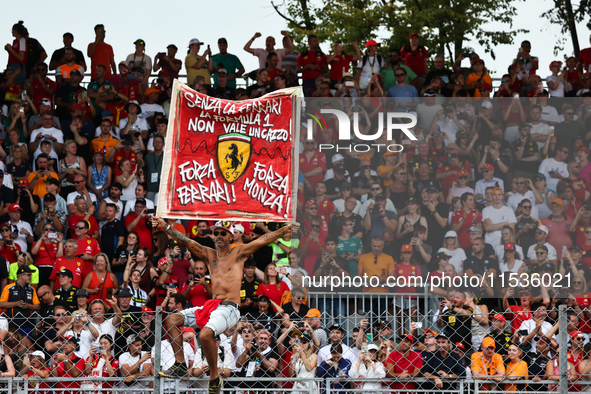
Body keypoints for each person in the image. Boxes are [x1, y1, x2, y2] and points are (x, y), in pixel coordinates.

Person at [150, 216, 296, 390]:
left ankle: (214, 378)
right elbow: (185, 240)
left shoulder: (238, 252)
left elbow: (263, 240)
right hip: (212, 306)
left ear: (230, 237)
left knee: (204, 335)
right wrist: (165, 226)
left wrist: (283, 230)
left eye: (223, 233)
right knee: (171, 319)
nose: (219, 236)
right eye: (216, 233)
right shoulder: (208, 253)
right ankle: (181, 365)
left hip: (230, 308)